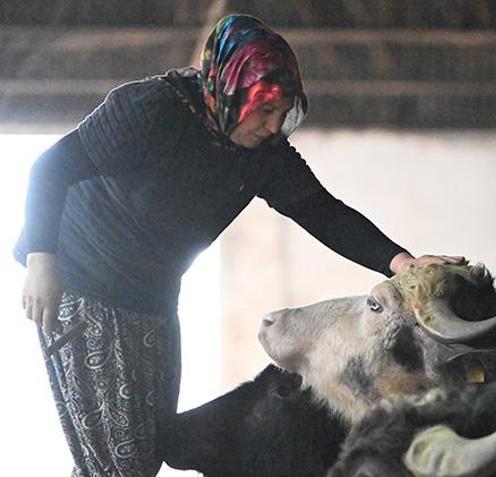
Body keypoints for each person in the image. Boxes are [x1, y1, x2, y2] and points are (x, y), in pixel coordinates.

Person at [16, 14, 464, 477]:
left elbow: (322, 211)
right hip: (81, 281)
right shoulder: (152, 109)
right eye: (263, 110)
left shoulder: (265, 155)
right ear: (228, 93)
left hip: (152, 296)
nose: (273, 126)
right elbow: (51, 168)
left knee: (148, 448)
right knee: (119, 463)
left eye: (282, 113)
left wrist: (401, 262)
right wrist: (41, 260)